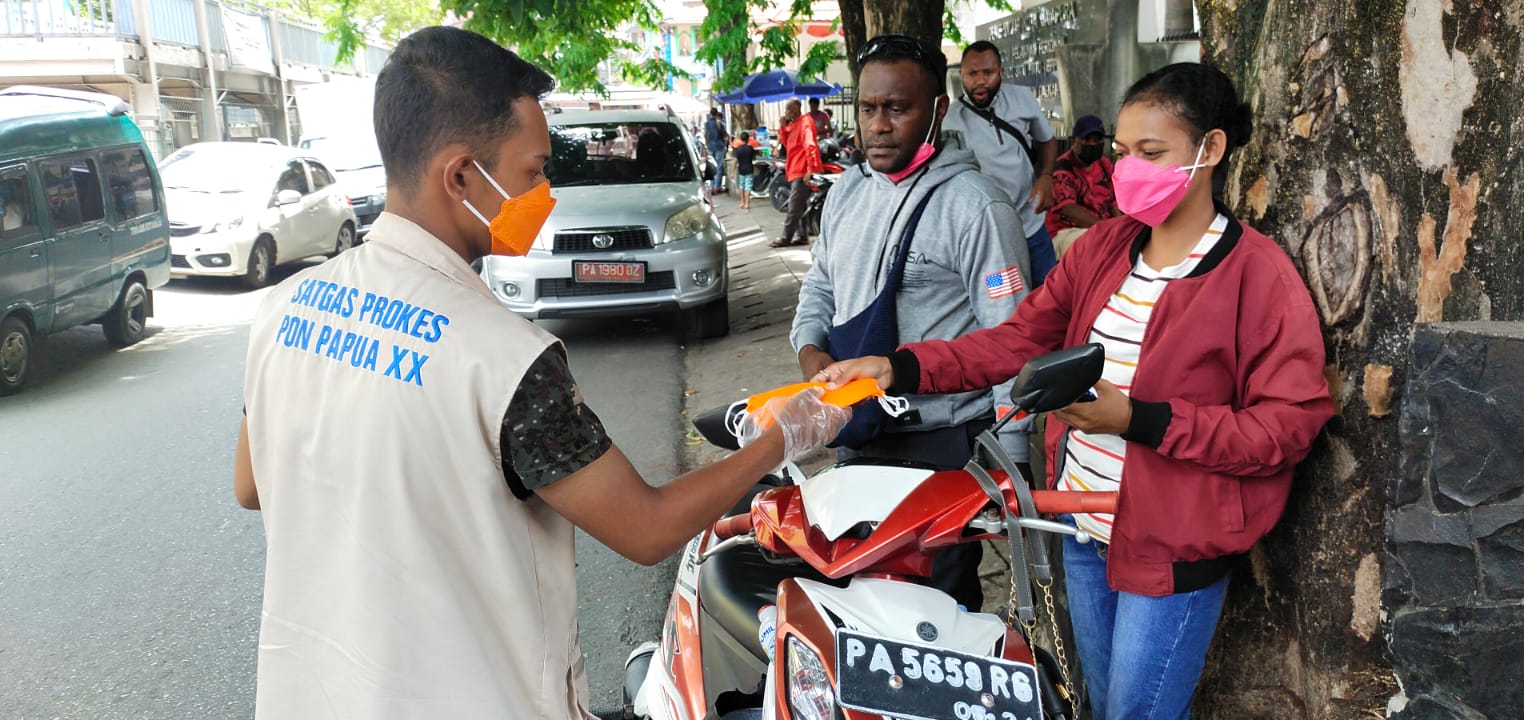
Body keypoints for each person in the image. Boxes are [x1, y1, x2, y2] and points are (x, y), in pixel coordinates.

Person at [231, 26, 849, 720]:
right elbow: (644, 529)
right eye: (532, 171)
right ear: (461, 175)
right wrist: (781, 436)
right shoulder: (503, 356)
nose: (546, 190)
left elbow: (252, 484)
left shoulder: (284, 308)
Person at [816, 62, 1335, 719]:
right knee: (1095, 703)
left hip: (1171, 552)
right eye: (1122, 153)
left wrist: (1137, 419)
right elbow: (1015, 339)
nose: (1128, 170)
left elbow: (1285, 429)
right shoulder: (1104, 248)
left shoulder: (1256, 275)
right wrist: (897, 367)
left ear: (1211, 150)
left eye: (1151, 153)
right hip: (1082, 529)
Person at [791, 34, 1033, 612]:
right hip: (857, 432)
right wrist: (809, 347)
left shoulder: (976, 208)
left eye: (897, 109)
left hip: (945, 444)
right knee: (861, 598)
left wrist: (1014, 459)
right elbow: (819, 284)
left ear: (937, 111)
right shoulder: (847, 191)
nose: (878, 125)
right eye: (868, 109)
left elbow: (1011, 336)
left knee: (938, 609)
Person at [943, 40, 1060, 287]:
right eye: (972, 74)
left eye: (988, 72)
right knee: (1004, 299)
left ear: (1001, 73)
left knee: (1050, 295)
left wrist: (1046, 176)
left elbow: (1047, 140)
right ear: (961, 75)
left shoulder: (1022, 99)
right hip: (990, 238)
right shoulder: (950, 120)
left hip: (1031, 225)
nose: (980, 80)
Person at [1047, 114, 1118, 256]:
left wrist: (1119, 228)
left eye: (1097, 140)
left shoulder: (1104, 165)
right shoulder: (1063, 168)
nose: (1092, 145)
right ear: (1074, 142)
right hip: (1066, 232)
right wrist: (1105, 228)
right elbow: (1068, 208)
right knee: (1095, 246)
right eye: (1087, 140)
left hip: (1101, 230)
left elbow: (1114, 202)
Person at [772, 98, 822, 247]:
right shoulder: (794, 124)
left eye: (788, 110)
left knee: (794, 206)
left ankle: (786, 237)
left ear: (795, 110)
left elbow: (810, 146)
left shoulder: (805, 122)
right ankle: (802, 235)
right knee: (800, 204)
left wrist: (810, 169)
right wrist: (782, 127)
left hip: (801, 170)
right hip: (794, 168)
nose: (786, 113)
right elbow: (787, 144)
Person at [703, 108, 728, 194]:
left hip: (710, 147)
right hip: (719, 146)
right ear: (716, 113)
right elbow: (725, 134)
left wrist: (706, 147)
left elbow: (705, 136)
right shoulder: (719, 123)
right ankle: (716, 187)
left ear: (710, 113)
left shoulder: (706, 124)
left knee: (712, 167)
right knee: (719, 166)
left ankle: (712, 187)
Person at [733, 131, 757, 209]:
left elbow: (735, 161)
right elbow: (754, 158)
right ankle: (747, 204)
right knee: (748, 187)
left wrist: (732, 172)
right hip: (749, 169)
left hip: (741, 170)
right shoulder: (750, 148)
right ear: (748, 139)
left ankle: (742, 202)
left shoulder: (737, 149)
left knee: (741, 186)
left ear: (740, 139)